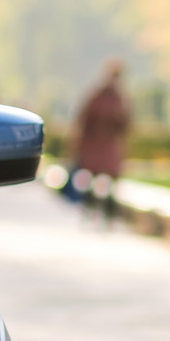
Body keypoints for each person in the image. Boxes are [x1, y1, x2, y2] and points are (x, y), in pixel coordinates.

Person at [68, 59, 131, 225]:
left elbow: (126, 125)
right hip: (94, 143)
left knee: (108, 180)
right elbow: (84, 119)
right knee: (91, 178)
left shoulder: (121, 99)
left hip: (109, 143)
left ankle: (107, 215)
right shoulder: (98, 95)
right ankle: (89, 210)